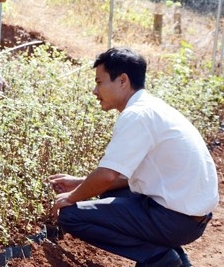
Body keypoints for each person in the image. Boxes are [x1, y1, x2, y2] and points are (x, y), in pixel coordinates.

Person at [49, 47, 219, 267]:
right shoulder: (151, 107)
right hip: (189, 217)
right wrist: (80, 182)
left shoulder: (136, 114)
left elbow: (107, 176)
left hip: (177, 221)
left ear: (122, 80)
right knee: (112, 192)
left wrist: (71, 198)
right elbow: (123, 178)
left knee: (70, 215)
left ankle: (161, 259)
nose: (94, 90)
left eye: (99, 82)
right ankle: (176, 260)